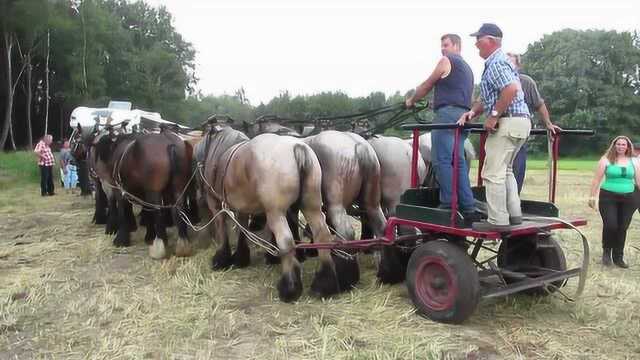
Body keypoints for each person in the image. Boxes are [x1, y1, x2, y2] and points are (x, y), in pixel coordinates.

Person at [457, 23, 531, 231]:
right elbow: (492, 95)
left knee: (492, 173)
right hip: (520, 121)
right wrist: (473, 112)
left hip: (508, 121)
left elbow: (511, 89)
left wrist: (494, 116)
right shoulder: (500, 62)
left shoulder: (497, 62)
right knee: (506, 170)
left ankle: (497, 221)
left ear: (490, 40)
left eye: (478, 39)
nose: (475, 44)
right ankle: (514, 214)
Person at [405, 33, 478, 220]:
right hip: (464, 116)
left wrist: (412, 100)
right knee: (458, 162)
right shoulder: (468, 69)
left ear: (456, 46)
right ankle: (468, 206)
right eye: (442, 45)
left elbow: (428, 84)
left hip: (447, 116)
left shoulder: (446, 60)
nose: (442, 49)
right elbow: (458, 94)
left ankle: (447, 204)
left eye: (446, 45)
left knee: (442, 161)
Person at [506, 53, 562, 193]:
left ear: (518, 66)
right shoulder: (495, 79)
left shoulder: (526, 82)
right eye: (505, 63)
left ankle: (514, 198)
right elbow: (482, 101)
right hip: (498, 128)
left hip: (518, 128)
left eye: (511, 63)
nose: (508, 66)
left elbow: (539, 104)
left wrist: (548, 124)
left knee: (517, 161)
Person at [588, 136, 640, 268]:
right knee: (611, 225)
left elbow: (639, 181)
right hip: (608, 197)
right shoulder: (606, 160)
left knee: (622, 227)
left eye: (624, 145)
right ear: (614, 145)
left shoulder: (634, 161)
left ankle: (618, 257)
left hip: (629, 198)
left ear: (628, 147)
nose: (621, 147)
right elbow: (596, 180)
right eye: (618, 144)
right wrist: (592, 197)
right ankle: (606, 252)